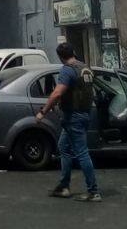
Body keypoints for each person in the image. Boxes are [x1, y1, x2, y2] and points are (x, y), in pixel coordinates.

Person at [36, 42, 100, 202]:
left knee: (82, 152)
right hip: (84, 114)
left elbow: (57, 93)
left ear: (60, 56)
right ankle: (64, 186)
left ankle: (93, 191)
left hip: (74, 117)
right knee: (63, 147)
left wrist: (43, 112)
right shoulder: (84, 67)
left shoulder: (67, 70)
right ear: (73, 52)